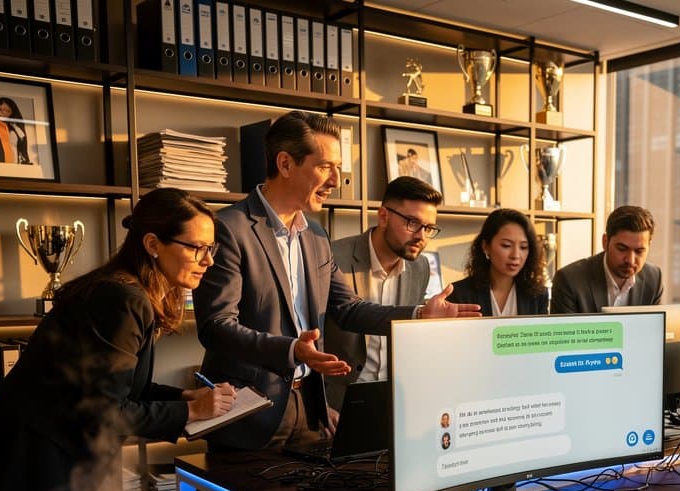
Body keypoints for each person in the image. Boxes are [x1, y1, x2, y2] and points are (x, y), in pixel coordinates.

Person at [0, 188, 237, 491]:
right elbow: (104, 413)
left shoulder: (122, 290)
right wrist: (188, 413)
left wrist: (185, 397)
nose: (207, 260)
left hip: (34, 467)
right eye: (196, 248)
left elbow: (120, 389)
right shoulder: (123, 299)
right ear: (153, 244)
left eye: (211, 249)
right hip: (32, 474)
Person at [194, 111, 478, 451]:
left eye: (338, 168)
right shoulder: (229, 228)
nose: (335, 180)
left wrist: (419, 315)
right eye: (325, 167)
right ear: (285, 164)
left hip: (309, 412)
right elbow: (216, 326)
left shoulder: (315, 234)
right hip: (249, 414)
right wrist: (291, 350)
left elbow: (348, 309)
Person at [325, 176, 441, 416]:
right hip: (337, 402)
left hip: (392, 399)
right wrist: (319, 405)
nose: (421, 236)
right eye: (412, 223)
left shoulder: (420, 267)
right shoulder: (333, 257)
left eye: (429, 228)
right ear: (384, 216)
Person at [550, 205, 662, 314]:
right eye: (622, 249)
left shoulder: (653, 278)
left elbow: (655, 326)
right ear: (605, 242)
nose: (630, 260)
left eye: (639, 251)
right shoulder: (569, 280)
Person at [448, 209, 548, 316]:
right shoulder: (460, 293)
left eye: (523, 247)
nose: (515, 255)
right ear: (486, 246)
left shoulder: (537, 295)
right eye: (506, 245)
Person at [0, 96, 31, 164]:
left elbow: (22, 140)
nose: (3, 113)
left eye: (7, 111)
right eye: (0, 109)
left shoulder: (14, 127)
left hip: (14, 161)